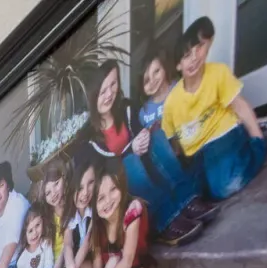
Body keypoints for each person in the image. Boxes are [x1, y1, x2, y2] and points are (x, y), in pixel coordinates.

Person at [163, 17, 267, 201]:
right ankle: (244, 146)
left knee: (227, 185)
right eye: (187, 55)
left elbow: (240, 105)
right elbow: (173, 144)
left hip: (224, 135)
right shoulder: (171, 102)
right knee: (199, 191)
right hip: (198, 153)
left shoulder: (217, 73)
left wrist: (256, 135)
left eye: (198, 49)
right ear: (178, 65)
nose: (194, 58)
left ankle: (258, 141)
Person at [86, 58, 204, 242]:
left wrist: (144, 135)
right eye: (102, 91)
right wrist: (131, 149)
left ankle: (187, 200)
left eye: (113, 84)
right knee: (129, 163)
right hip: (125, 188)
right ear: (93, 97)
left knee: (156, 137)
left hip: (148, 166)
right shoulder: (90, 137)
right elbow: (104, 171)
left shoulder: (126, 107)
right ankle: (166, 221)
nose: (109, 94)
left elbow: (140, 129)